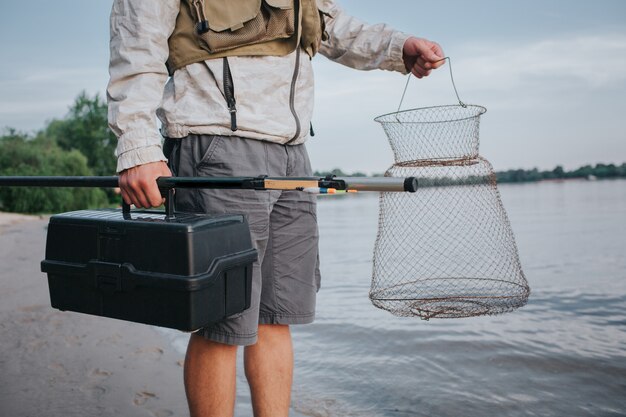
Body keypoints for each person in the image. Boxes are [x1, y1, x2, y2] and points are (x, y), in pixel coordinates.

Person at [107, 1, 444, 416]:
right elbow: (136, 37)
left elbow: (331, 26)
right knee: (222, 322)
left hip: (293, 155)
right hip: (217, 149)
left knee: (275, 316)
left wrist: (399, 47)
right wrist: (137, 147)